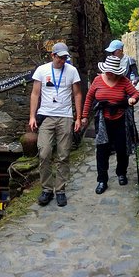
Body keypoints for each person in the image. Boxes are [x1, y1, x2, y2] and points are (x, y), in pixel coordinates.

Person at [29, 42, 83, 207]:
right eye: (60, 57)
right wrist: (32, 116)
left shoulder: (72, 71)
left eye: (65, 57)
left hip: (65, 116)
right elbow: (35, 94)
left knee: (63, 155)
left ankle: (60, 190)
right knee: (44, 152)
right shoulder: (42, 70)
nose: (63, 60)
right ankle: (46, 189)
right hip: (46, 116)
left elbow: (78, 94)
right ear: (52, 56)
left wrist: (78, 117)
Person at [81, 55, 139, 194]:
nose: (110, 73)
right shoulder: (97, 80)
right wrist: (84, 116)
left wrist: (132, 99)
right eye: (108, 71)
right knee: (102, 149)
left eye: (112, 71)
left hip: (121, 118)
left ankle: (121, 172)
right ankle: (102, 179)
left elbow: (136, 93)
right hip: (103, 120)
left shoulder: (124, 81)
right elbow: (89, 98)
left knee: (122, 148)